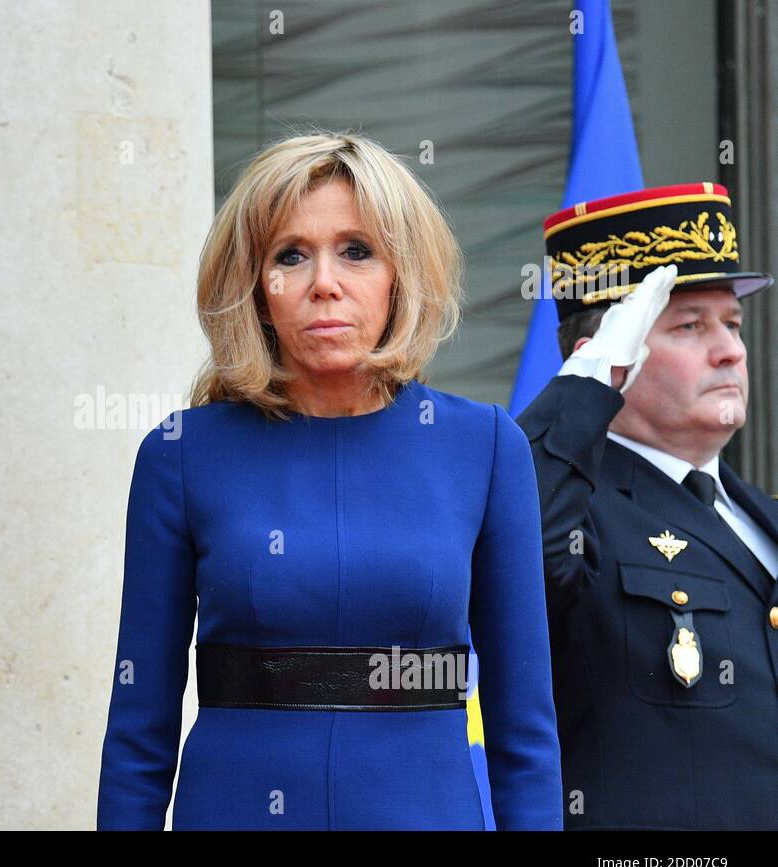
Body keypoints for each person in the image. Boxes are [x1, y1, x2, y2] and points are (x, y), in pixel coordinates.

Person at [96, 132, 563, 830]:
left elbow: (523, 730)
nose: (324, 282)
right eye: (290, 255)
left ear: (401, 274)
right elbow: (140, 730)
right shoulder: (180, 456)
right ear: (254, 286)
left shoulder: (485, 447)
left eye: (357, 250)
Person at [518, 182, 778, 829]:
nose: (731, 350)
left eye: (733, 324)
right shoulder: (575, 512)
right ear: (608, 353)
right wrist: (588, 383)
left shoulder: (760, 516)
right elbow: (520, 550)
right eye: (690, 325)